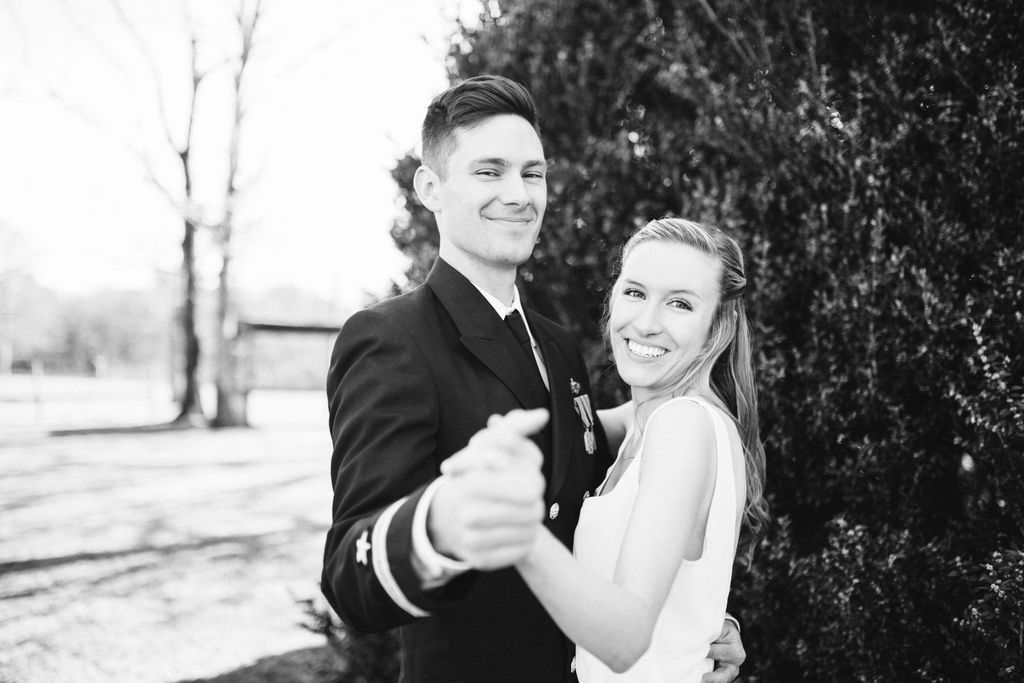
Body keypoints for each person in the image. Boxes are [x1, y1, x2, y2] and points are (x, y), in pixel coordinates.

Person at [322, 75, 745, 681]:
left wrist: (694, 626)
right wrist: (441, 517)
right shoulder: (392, 339)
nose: (519, 194)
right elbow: (347, 576)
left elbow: (593, 470)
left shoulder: (556, 344)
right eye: (489, 171)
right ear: (430, 188)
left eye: (533, 173)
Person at [444, 217, 769, 680]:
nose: (647, 323)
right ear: (613, 298)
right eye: (635, 292)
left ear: (719, 326)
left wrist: (515, 528)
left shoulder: (683, 426)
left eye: (680, 303)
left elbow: (626, 634)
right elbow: (567, 432)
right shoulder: (646, 427)